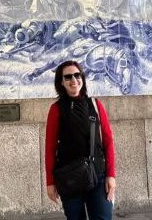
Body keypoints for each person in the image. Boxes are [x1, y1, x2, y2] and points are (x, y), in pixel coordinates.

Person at [45, 60, 116, 219]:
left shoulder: (95, 105)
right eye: (68, 77)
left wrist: (111, 175)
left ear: (82, 78)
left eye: (77, 75)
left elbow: (108, 142)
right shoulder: (56, 109)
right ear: (61, 82)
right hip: (69, 177)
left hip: (98, 175)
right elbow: (49, 149)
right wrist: (50, 182)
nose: (73, 80)